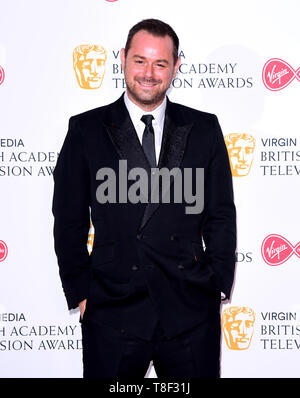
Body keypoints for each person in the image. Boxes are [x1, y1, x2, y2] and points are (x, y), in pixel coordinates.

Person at [52, 18, 236, 378]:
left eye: (160, 63)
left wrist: (216, 283)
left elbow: (221, 214)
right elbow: (68, 218)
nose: (148, 73)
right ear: (122, 58)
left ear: (176, 66)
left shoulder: (204, 129)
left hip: (190, 311)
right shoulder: (86, 129)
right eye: (140, 61)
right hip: (112, 309)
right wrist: (82, 292)